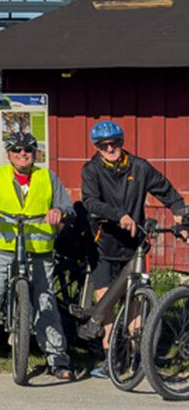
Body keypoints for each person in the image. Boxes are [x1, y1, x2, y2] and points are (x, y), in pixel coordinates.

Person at [80, 119, 189, 377]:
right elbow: (90, 202)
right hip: (103, 245)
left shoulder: (139, 167)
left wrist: (179, 213)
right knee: (106, 303)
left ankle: (137, 356)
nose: (110, 148)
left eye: (115, 142)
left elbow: (164, 189)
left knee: (136, 304)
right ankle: (111, 360)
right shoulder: (92, 169)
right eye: (103, 145)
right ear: (97, 147)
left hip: (134, 246)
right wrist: (119, 215)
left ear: (122, 142)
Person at [0, 132, 73, 380]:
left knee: (45, 302)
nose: (22, 154)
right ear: (9, 154)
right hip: (2, 248)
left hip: (38, 249)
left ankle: (57, 358)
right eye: (17, 150)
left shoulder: (47, 177)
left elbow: (67, 206)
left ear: (35, 154)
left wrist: (58, 211)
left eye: (28, 150)